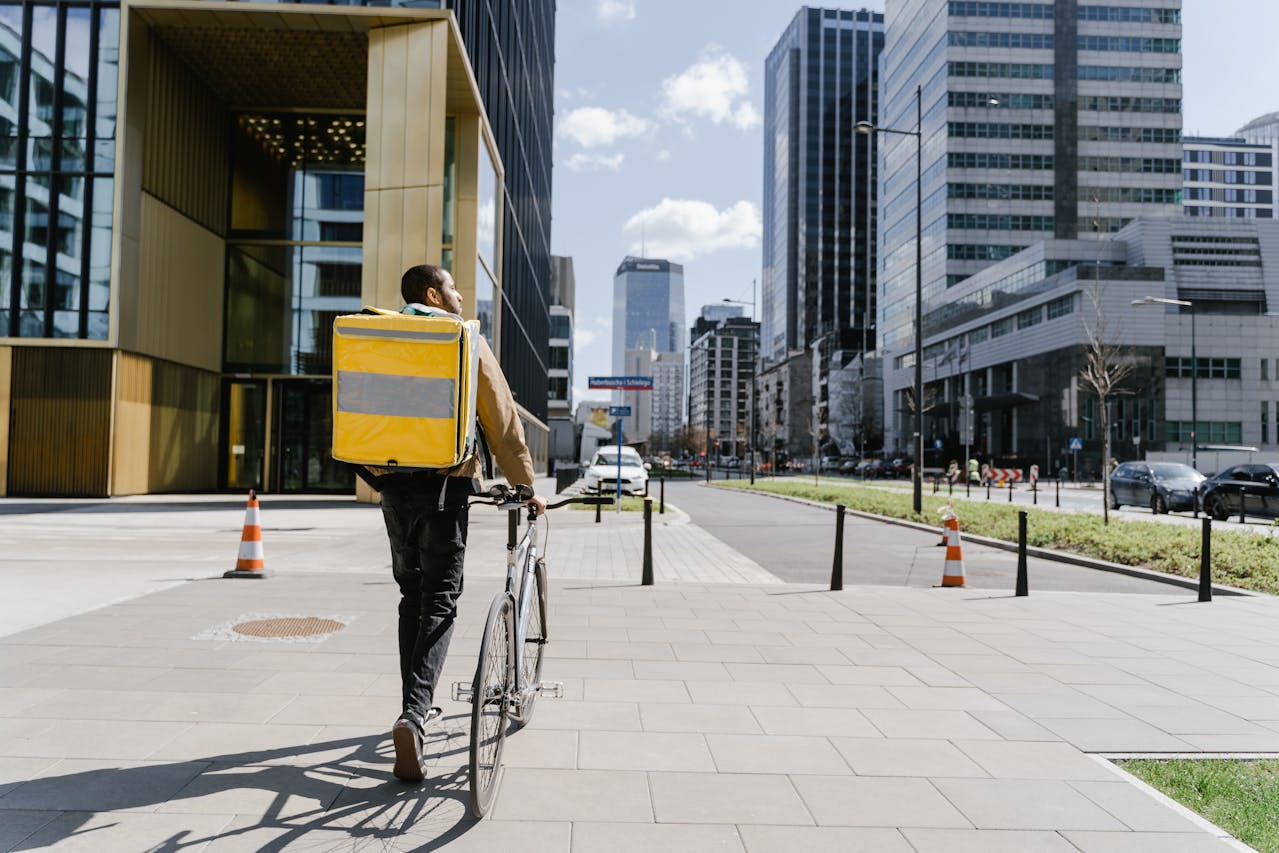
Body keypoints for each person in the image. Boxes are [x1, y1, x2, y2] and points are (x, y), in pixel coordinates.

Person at [374, 264, 545, 784]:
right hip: (446, 489)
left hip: (392, 486)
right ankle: (414, 717)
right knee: (441, 602)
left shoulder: (380, 334)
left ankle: (415, 710)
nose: (460, 294)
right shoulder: (463, 338)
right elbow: (502, 420)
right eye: (452, 287)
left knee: (411, 596)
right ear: (433, 294)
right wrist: (527, 488)